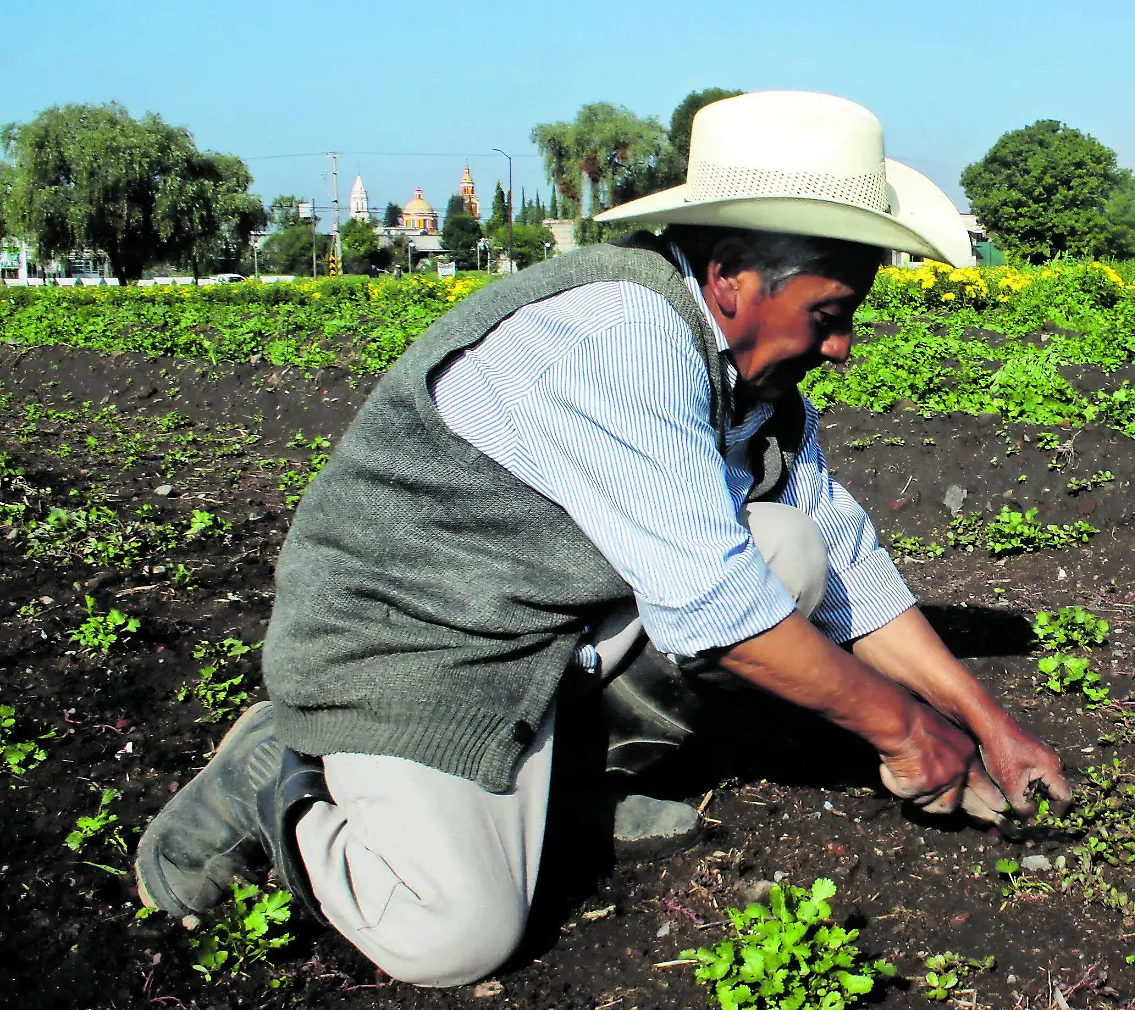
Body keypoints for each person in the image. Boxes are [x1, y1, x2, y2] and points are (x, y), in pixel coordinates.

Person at [134, 91, 1071, 987]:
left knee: (789, 548)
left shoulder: (753, 389)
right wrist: (905, 731)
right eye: (829, 316)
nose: (842, 347)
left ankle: (572, 789)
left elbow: (848, 568)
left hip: (539, 626)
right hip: (414, 648)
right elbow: (714, 608)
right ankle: (281, 772)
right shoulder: (618, 330)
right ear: (732, 275)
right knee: (453, 931)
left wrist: (983, 720)